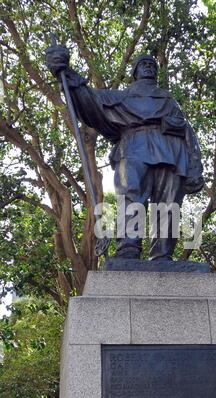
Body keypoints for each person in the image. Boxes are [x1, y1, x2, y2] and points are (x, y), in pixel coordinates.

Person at [46, 44, 204, 260]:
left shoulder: (168, 100)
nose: (148, 67)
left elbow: (187, 132)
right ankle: (128, 248)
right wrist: (65, 71)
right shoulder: (119, 97)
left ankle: (162, 254)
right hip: (134, 147)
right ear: (135, 71)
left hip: (171, 151)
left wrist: (195, 165)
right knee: (131, 197)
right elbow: (89, 98)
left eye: (152, 65)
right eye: (143, 64)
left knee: (168, 204)